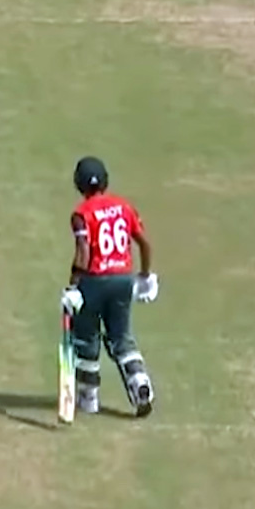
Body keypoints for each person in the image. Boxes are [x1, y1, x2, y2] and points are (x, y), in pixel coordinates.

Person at [63, 157, 160, 417]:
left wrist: (73, 286)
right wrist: (146, 275)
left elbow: (83, 251)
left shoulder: (81, 214)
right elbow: (144, 243)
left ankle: (88, 397)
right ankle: (139, 383)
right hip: (123, 279)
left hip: (94, 281)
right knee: (121, 337)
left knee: (87, 338)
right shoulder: (123, 207)